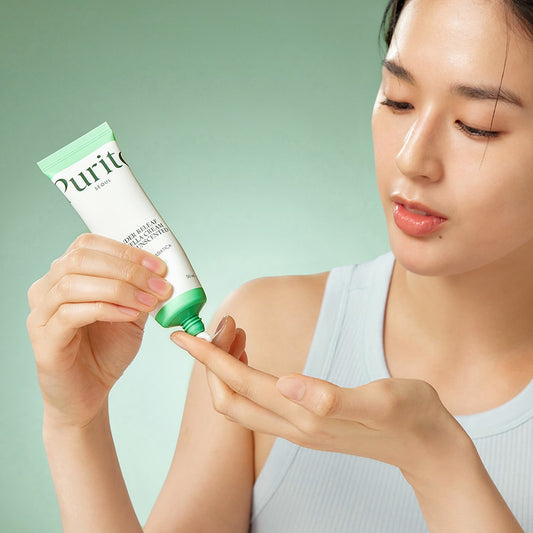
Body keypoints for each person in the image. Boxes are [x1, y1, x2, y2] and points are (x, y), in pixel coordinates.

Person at [27, 0, 533, 531]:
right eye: (398, 99)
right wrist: (75, 425)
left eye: (478, 126)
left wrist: (441, 465)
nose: (411, 158)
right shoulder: (271, 335)